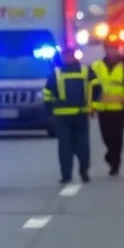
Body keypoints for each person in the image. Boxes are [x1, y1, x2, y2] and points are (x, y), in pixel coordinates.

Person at [42, 55, 100, 185]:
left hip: (70, 115)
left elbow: (47, 93)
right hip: (73, 115)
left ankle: (77, 173)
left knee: (74, 146)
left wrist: (49, 110)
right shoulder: (85, 71)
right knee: (72, 146)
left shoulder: (57, 73)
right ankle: (73, 174)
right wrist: (93, 106)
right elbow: (97, 89)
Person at [91, 41, 124, 176]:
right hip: (103, 107)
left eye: (115, 49)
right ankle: (110, 154)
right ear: (105, 50)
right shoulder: (97, 66)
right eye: (110, 49)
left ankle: (115, 163)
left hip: (119, 107)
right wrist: (91, 105)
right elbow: (91, 86)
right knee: (106, 135)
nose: (112, 52)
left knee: (117, 136)